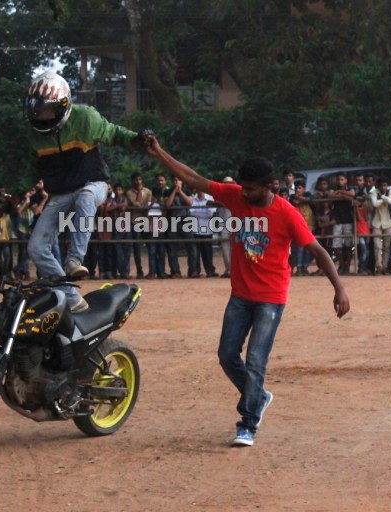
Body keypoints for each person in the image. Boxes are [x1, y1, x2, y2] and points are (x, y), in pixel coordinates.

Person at [145, 135, 349, 448]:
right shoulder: (237, 196)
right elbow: (193, 179)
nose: (245, 192)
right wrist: (158, 151)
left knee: (255, 361)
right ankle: (259, 396)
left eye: (252, 188)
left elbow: (318, 250)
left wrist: (339, 289)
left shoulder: (287, 214)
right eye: (243, 187)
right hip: (240, 295)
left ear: (270, 186)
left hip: (271, 298)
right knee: (227, 355)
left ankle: (248, 423)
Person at [23, 70, 147, 312]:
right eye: (39, 112)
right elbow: (32, 165)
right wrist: (21, 189)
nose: (43, 117)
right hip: (60, 194)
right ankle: (71, 298)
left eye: (49, 111)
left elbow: (113, 132)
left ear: (64, 105)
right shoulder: (33, 133)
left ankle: (75, 259)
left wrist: (138, 139)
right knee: (36, 248)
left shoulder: (85, 118)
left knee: (86, 197)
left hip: (93, 183)